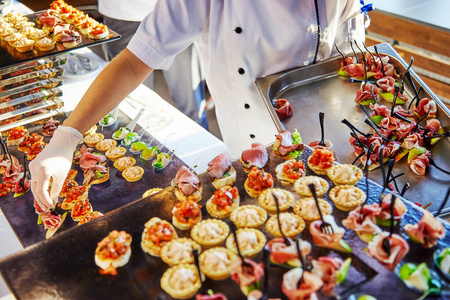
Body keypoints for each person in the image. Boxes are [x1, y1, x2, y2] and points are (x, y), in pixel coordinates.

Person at [30, 0, 366, 211]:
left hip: (331, 131)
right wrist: (66, 138)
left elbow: (350, 50)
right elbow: (136, 61)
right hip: (253, 144)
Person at [98, 0, 208, 128]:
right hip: (122, 13)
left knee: (191, 101)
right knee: (136, 105)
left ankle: (201, 140)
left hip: (179, 11)